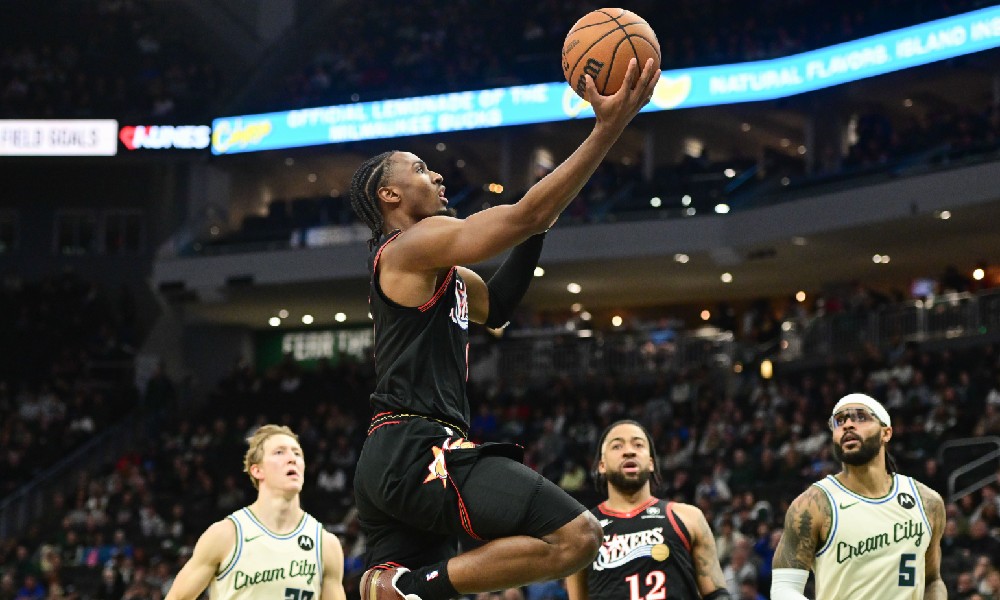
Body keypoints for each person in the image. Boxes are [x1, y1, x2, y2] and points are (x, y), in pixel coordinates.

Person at [349, 59, 661, 600]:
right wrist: (607, 129)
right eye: (421, 168)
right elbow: (519, 218)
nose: (437, 175)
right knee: (579, 537)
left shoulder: (435, 268)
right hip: (417, 449)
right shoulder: (410, 246)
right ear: (389, 196)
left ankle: (399, 586)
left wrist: (542, 218)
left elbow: (500, 305)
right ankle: (409, 586)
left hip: (396, 454)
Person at [769, 394, 946, 599]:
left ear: (886, 433)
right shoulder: (812, 504)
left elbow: (932, 580)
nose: (848, 425)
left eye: (861, 418)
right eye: (840, 421)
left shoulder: (927, 502)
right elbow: (784, 588)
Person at [164, 425, 346, 600]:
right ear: (257, 470)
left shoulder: (325, 545)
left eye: (297, 453)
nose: (292, 458)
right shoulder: (226, 535)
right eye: (279, 452)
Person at [565, 420, 731, 600]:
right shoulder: (581, 533)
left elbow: (716, 594)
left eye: (638, 444)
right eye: (617, 446)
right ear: (602, 466)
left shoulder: (688, 517)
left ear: (651, 462)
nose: (629, 451)